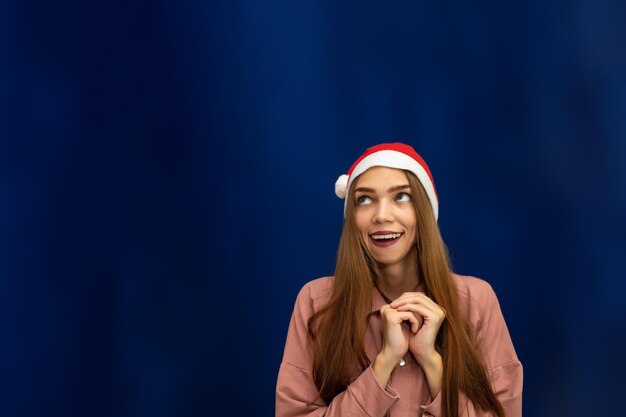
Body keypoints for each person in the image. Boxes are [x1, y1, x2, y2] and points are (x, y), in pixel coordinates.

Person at [276, 143, 523, 417]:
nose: (382, 215)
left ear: (424, 211)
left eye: (401, 196)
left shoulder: (476, 301)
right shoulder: (316, 301)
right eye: (365, 199)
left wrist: (432, 363)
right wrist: (383, 363)